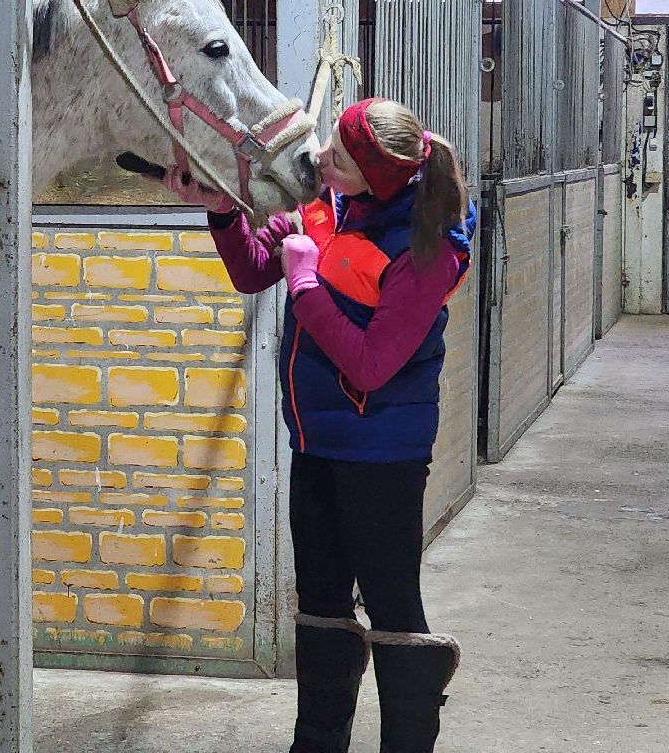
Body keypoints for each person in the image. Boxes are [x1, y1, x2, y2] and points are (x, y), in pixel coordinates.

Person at [164, 96, 478, 753]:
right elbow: (252, 269)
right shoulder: (327, 207)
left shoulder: (426, 249)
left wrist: (305, 287)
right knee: (321, 606)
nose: (319, 157)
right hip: (315, 441)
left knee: (394, 610)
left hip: (383, 455)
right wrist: (221, 208)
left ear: (371, 177)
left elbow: (370, 366)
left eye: (336, 154)